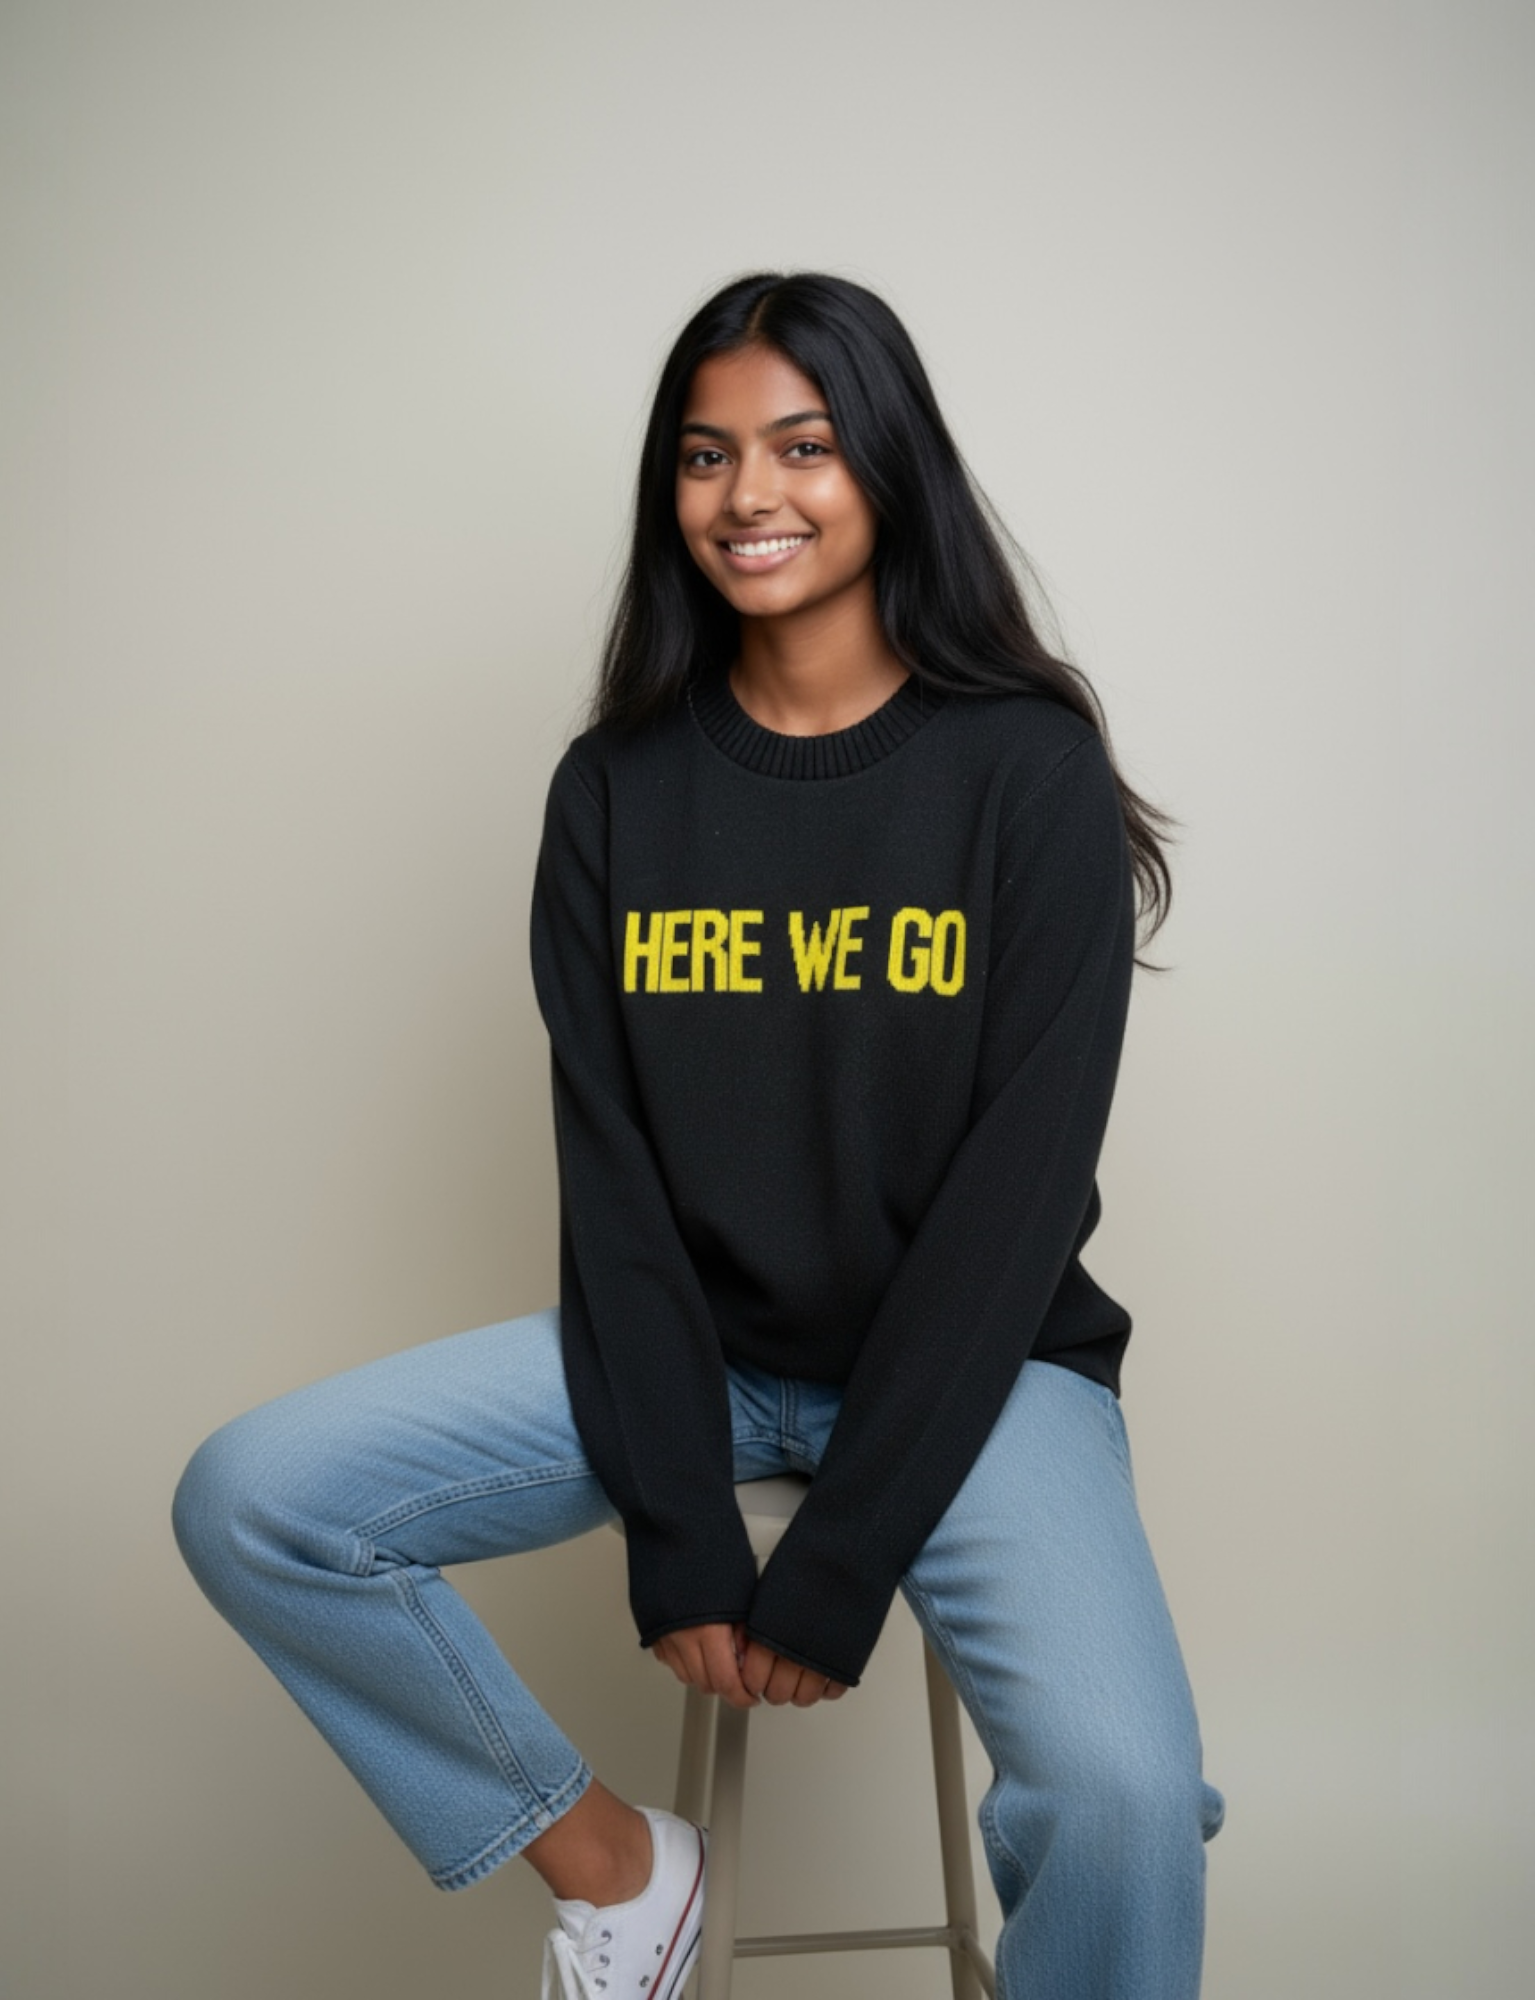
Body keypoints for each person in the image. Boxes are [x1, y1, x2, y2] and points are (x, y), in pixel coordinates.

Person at [174, 270, 1224, 2000]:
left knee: (1121, 1795)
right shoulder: (616, 790)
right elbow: (619, 1190)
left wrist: (838, 1561)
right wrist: (683, 1528)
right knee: (258, 1500)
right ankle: (621, 1871)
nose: (752, 495)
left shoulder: (1022, 770)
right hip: (696, 1357)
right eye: (706, 454)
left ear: (889, 469)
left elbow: (1013, 1207)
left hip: (983, 1369)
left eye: (804, 446)